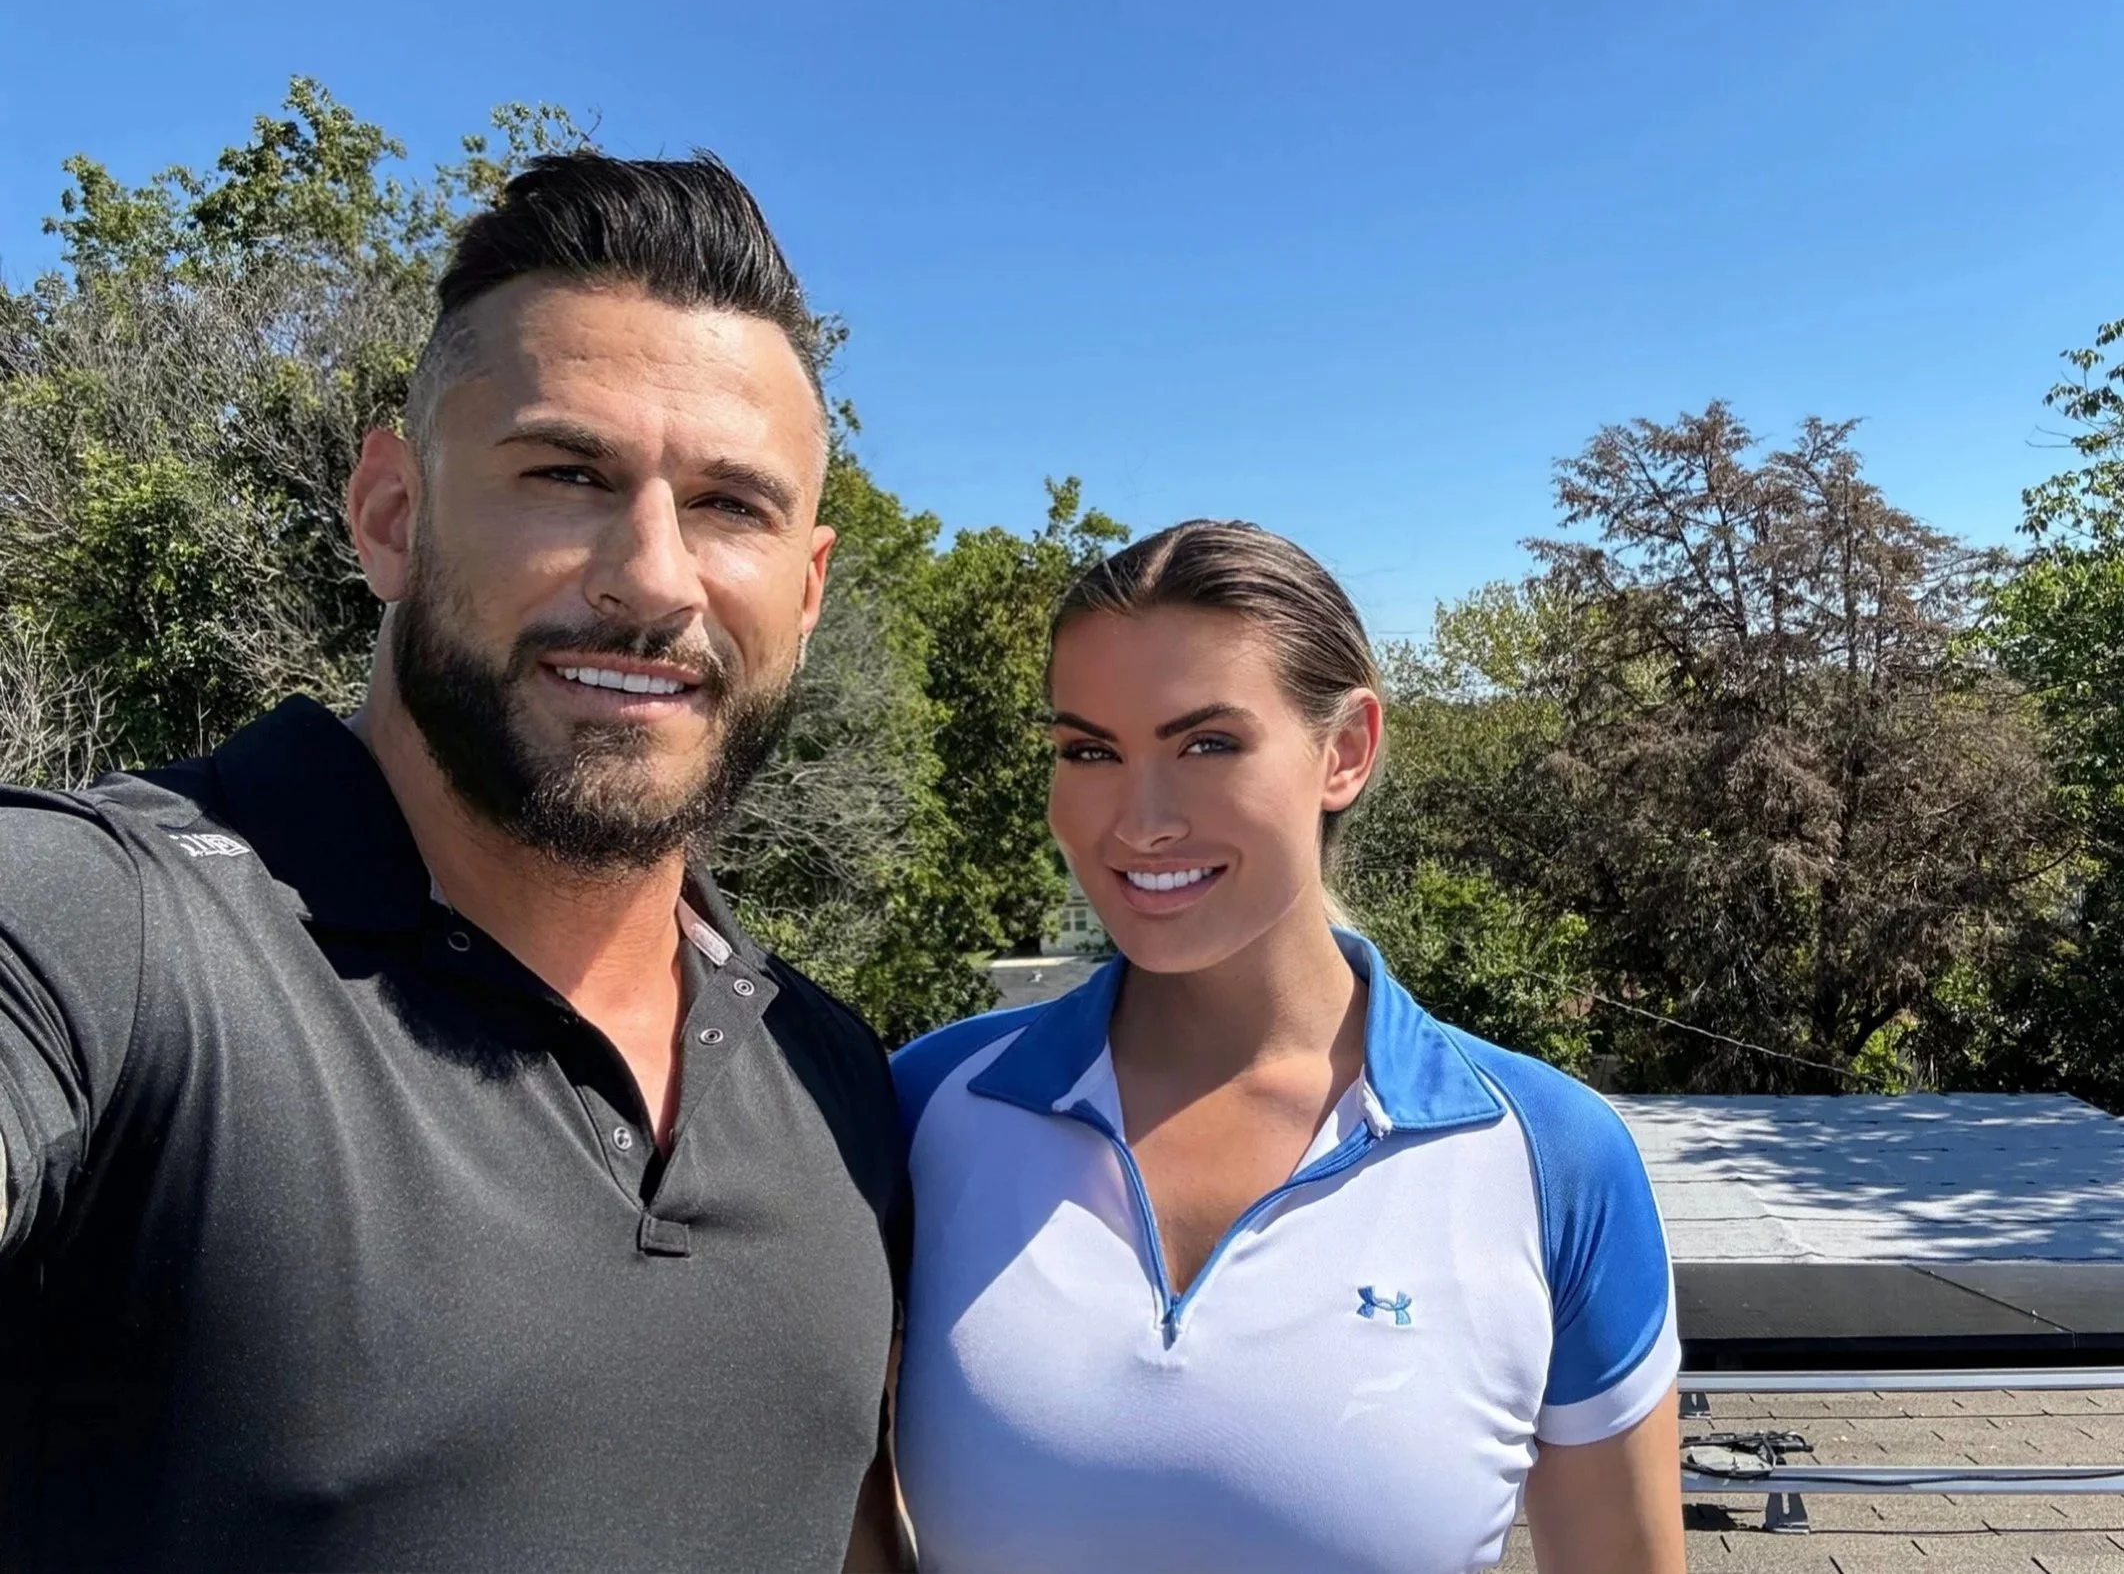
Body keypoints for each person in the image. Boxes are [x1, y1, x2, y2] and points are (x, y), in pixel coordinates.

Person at [0, 153, 909, 1572]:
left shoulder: (841, 1085)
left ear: (805, 585)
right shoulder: (117, 940)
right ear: (390, 511)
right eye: (565, 472)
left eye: (734, 504)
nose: (655, 577)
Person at [890, 521, 1686, 1574]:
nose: (1140, 819)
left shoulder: (1551, 1159)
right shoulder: (922, 1108)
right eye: (1090, 749)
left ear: (1345, 750)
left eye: (1207, 743)